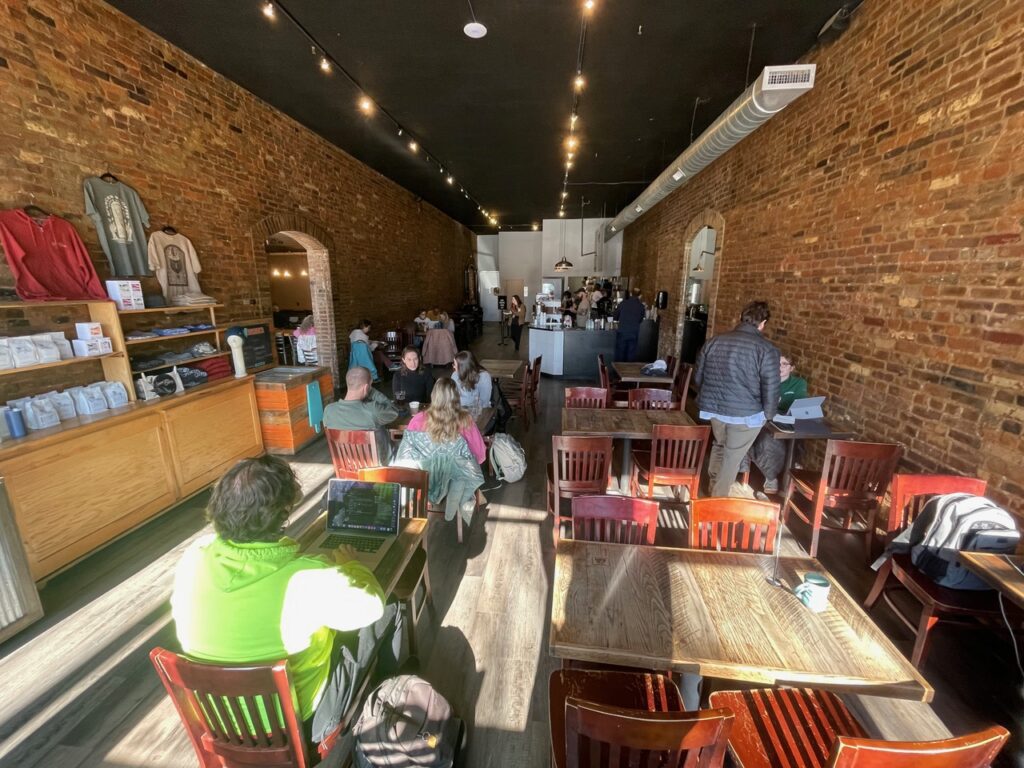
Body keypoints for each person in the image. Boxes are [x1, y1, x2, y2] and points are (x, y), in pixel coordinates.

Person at [170, 455, 405, 747]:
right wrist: (353, 566)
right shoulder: (306, 577)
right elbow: (372, 606)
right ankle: (390, 700)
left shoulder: (194, 557)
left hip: (219, 722)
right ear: (283, 513)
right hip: (299, 724)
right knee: (390, 606)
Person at [694, 300, 780, 498]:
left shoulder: (714, 341)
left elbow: (698, 377)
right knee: (732, 457)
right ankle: (716, 501)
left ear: (741, 318)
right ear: (763, 323)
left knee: (720, 444)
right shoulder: (766, 349)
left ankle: (712, 486)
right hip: (746, 413)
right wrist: (768, 415)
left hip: (714, 408)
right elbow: (771, 387)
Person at [396, 378, 487, 520]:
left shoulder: (418, 419)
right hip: (455, 481)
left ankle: (421, 502)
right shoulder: (466, 421)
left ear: (433, 396)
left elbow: (408, 454)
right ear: (457, 397)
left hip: (425, 479)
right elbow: (480, 456)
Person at [745, 353, 809, 495]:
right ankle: (771, 475)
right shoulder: (764, 381)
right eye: (777, 363)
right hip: (766, 419)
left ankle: (793, 468)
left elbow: (800, 405)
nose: (780, 367)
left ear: (792, 368)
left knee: (798, 433)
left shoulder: (799, 383)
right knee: (768, 439)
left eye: (784, 364)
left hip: (788, 419)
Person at [324, 366, 399, 462]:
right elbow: (393, 411)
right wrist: (372, 392)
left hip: (347, 465)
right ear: (366, 387)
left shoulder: (329, 410)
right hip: (376, 468)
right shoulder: (373, 410)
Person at [451, 350, 492, 417]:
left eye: (455, 365)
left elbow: (484, 402)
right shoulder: (455, 375)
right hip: (460, 412)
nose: (453, 367)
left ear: (463, 367)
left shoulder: (484, 376)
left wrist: (461, 401)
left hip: (480, 411)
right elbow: (453, 398)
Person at [613, 288, 645, 361]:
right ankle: (628, 367)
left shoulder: (623, 303)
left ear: (630, 294)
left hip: (622, 331)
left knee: (620, 355)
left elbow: (615, 316)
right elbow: (640, 320)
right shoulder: (641, 306)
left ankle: (619, 368)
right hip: (633, 332)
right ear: (640, 296)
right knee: (631, 355)